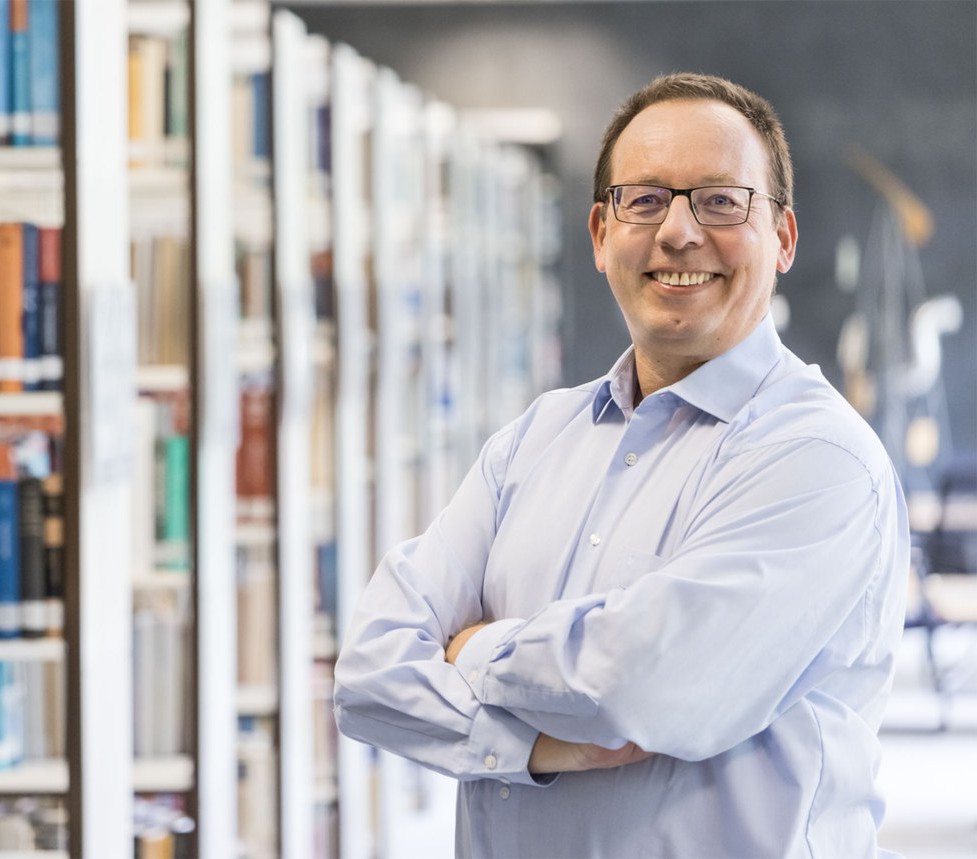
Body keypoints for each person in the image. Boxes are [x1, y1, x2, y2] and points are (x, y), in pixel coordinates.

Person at [334, 72, 910, 858]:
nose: (677, 232)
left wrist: (471, 649)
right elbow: (368, 673)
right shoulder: (535, 438)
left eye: (720, 199)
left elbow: (654, 687)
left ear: (783, 239)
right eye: (644, 199)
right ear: (601, 234)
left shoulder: (820, 459)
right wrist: (535, 743)